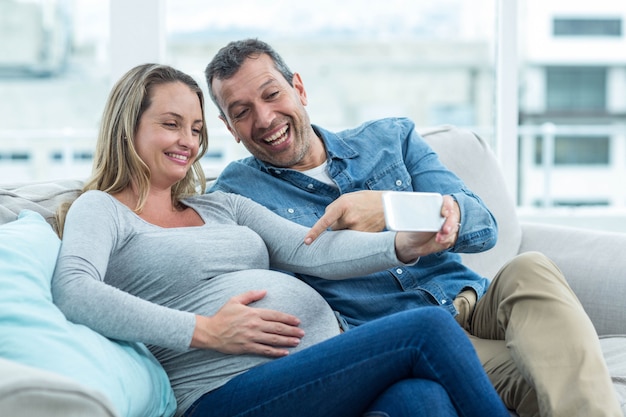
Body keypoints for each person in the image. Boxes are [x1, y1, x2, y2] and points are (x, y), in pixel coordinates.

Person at [51, 63, 509, 417]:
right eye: (171, 124)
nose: (187, 141)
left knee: (421, 399)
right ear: (128, 125)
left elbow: (312, 248)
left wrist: (401, 245)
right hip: (220, 395)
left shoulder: (220, 206)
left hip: (316, 373)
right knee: (427, 328)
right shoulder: (103, 209)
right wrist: (204, 331)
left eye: (195, 129)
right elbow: (74, 290)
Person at [204, 38, 623, 417]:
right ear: (229, 129)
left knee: (530, 267)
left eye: (272, 94)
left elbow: (482, 226)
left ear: (299, 87)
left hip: (476, 304)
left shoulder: (391, 138)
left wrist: (390, 208)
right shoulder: (240, 191)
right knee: (551, 375)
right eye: (241, 113)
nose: (264, 118)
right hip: (403, 337)